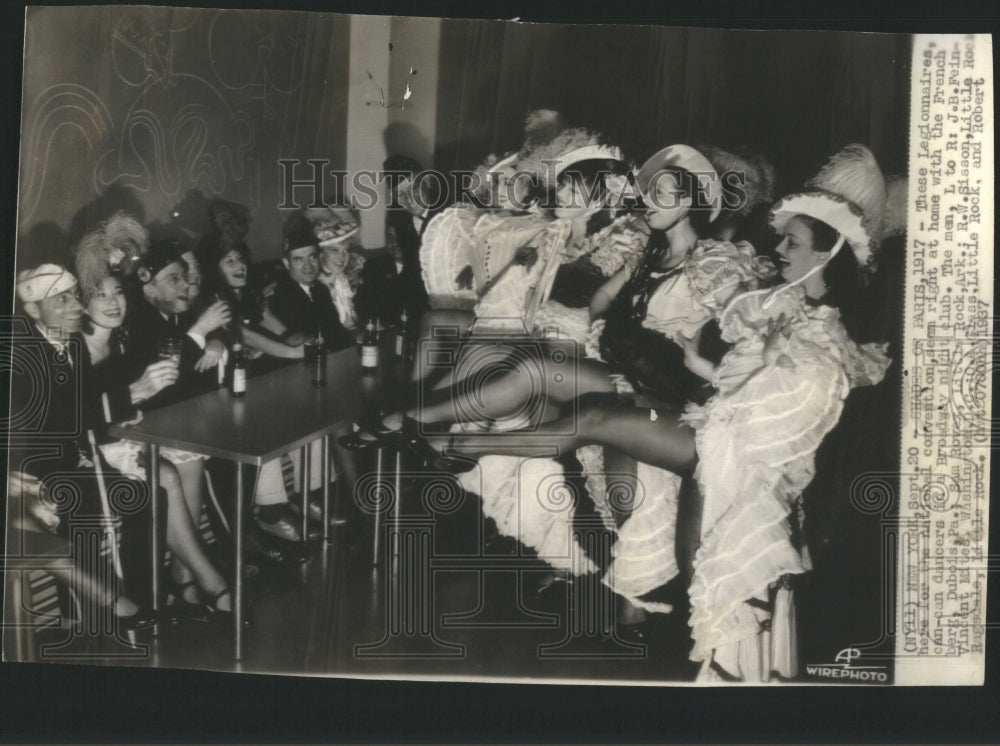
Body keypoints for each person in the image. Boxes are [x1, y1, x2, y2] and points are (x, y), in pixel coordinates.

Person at [425, 144, 893, 681]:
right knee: (656, 513)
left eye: (793, 242)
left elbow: (782, 418)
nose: (780, 248)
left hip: (723, 445)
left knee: (686, 534)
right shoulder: (752, 294)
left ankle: (460, 445)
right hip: (698, 423)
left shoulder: (801, 321)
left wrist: (716, 376)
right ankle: (650, 624)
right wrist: (700, 365)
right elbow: (714, 362)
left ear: (825, 255)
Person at [9, 264, 160, 633]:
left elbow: (86, 404)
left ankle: (139, 596)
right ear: (33, 310)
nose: (76, 306)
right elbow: (50, 419)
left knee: (142, 494)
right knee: (81, 502)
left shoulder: (73, 342)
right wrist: (128, 396)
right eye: (62, 300)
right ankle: (93, 609)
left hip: (73, 459)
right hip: (31, 471)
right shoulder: (21, 355)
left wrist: (122, 413)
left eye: (75, 296)